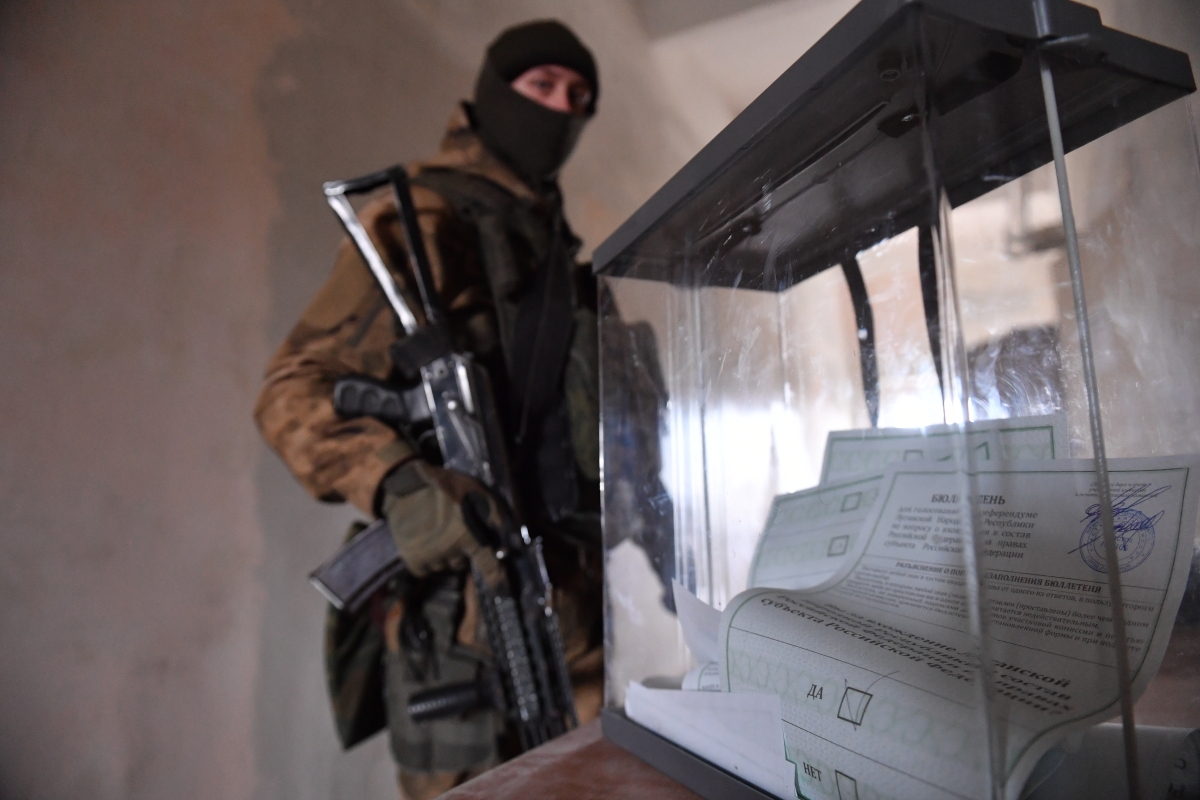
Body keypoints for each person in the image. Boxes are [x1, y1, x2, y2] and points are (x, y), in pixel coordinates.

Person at [255, 20, 603, 799]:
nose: (561, 108)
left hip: (572, 609)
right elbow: (292, 391)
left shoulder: (558, 253)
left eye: (579, 97)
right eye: (542, 86)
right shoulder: (424, 216)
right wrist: (399, 483)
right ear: (494, 92)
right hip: (460, 618)